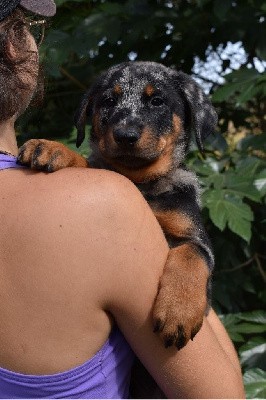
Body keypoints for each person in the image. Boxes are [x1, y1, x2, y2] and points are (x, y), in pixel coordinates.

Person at [0, 1, 245, 398]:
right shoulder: (95, 191)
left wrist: (190, 272)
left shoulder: (174, 197)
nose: (128, 126)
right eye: (109, 103)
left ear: (189, 119)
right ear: (89, 120)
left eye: (155, 102)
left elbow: (194, 247)